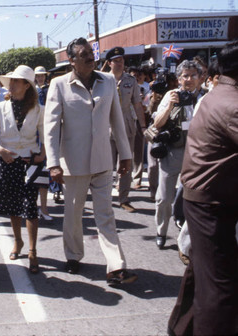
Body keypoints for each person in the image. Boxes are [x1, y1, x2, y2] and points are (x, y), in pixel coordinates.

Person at [44, 37, 137, 286]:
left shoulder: (106, 81)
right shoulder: (59, 85)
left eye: (91, 53)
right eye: (83, 54)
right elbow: (51, 128)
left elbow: (117, 119)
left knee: (105, 214)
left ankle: (116, 266)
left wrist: (126, 154)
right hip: (73, 165)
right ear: (72, 60)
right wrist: (53, 163)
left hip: (103, 161)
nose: (89, 57)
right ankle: (73, 256)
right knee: (73, 215)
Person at [168, 40, 238, 336]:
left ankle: (183, 327)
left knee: (203, 271)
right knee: (219, 285)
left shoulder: (219, 94)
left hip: (206, 197)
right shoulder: (230, 103)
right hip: (211, 200)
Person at [0, 65, 45, 274]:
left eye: (17, 81)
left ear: (27, 86)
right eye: (11, 80)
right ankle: (17, 241)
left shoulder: (38, 109)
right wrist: (0, 150)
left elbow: (45, 135)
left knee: (30, 206)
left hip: (30, 162)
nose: (12, 84)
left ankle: (32, 250)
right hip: (7, 161)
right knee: (12, 206)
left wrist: (42, 154)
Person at [151, 60, 203, 249]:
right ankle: (161, 231)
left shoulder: (204, 97)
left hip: (196, 154)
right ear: (179, 79)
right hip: (173, 151)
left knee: (194, 197)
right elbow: (157, 123)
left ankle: (188, 236)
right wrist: (169, 106)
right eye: (185, 76)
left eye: (193, 75)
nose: (189, 79)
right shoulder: (171, 95)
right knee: (164, 197)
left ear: (199, 78)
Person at [106, 47, 147, 213]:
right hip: (106, 127)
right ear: (109, 63)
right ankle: (105, 199)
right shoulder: (103, 80)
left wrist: (143, 126)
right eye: (116, 60)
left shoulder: (131, 81)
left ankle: (124, 198)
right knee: (106, 165)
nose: (120, 63)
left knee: (126, 164)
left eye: (121, 60)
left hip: (126, 127)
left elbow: (137, 105)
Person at [33, 65, 53, 221]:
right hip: (31, 134)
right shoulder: (32, 90)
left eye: (42, 75)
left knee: (44, 168)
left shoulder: (49, 89)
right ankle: (33, 208)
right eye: (37, 75)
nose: (40, 78)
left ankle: (44, 208)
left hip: (45, 128)